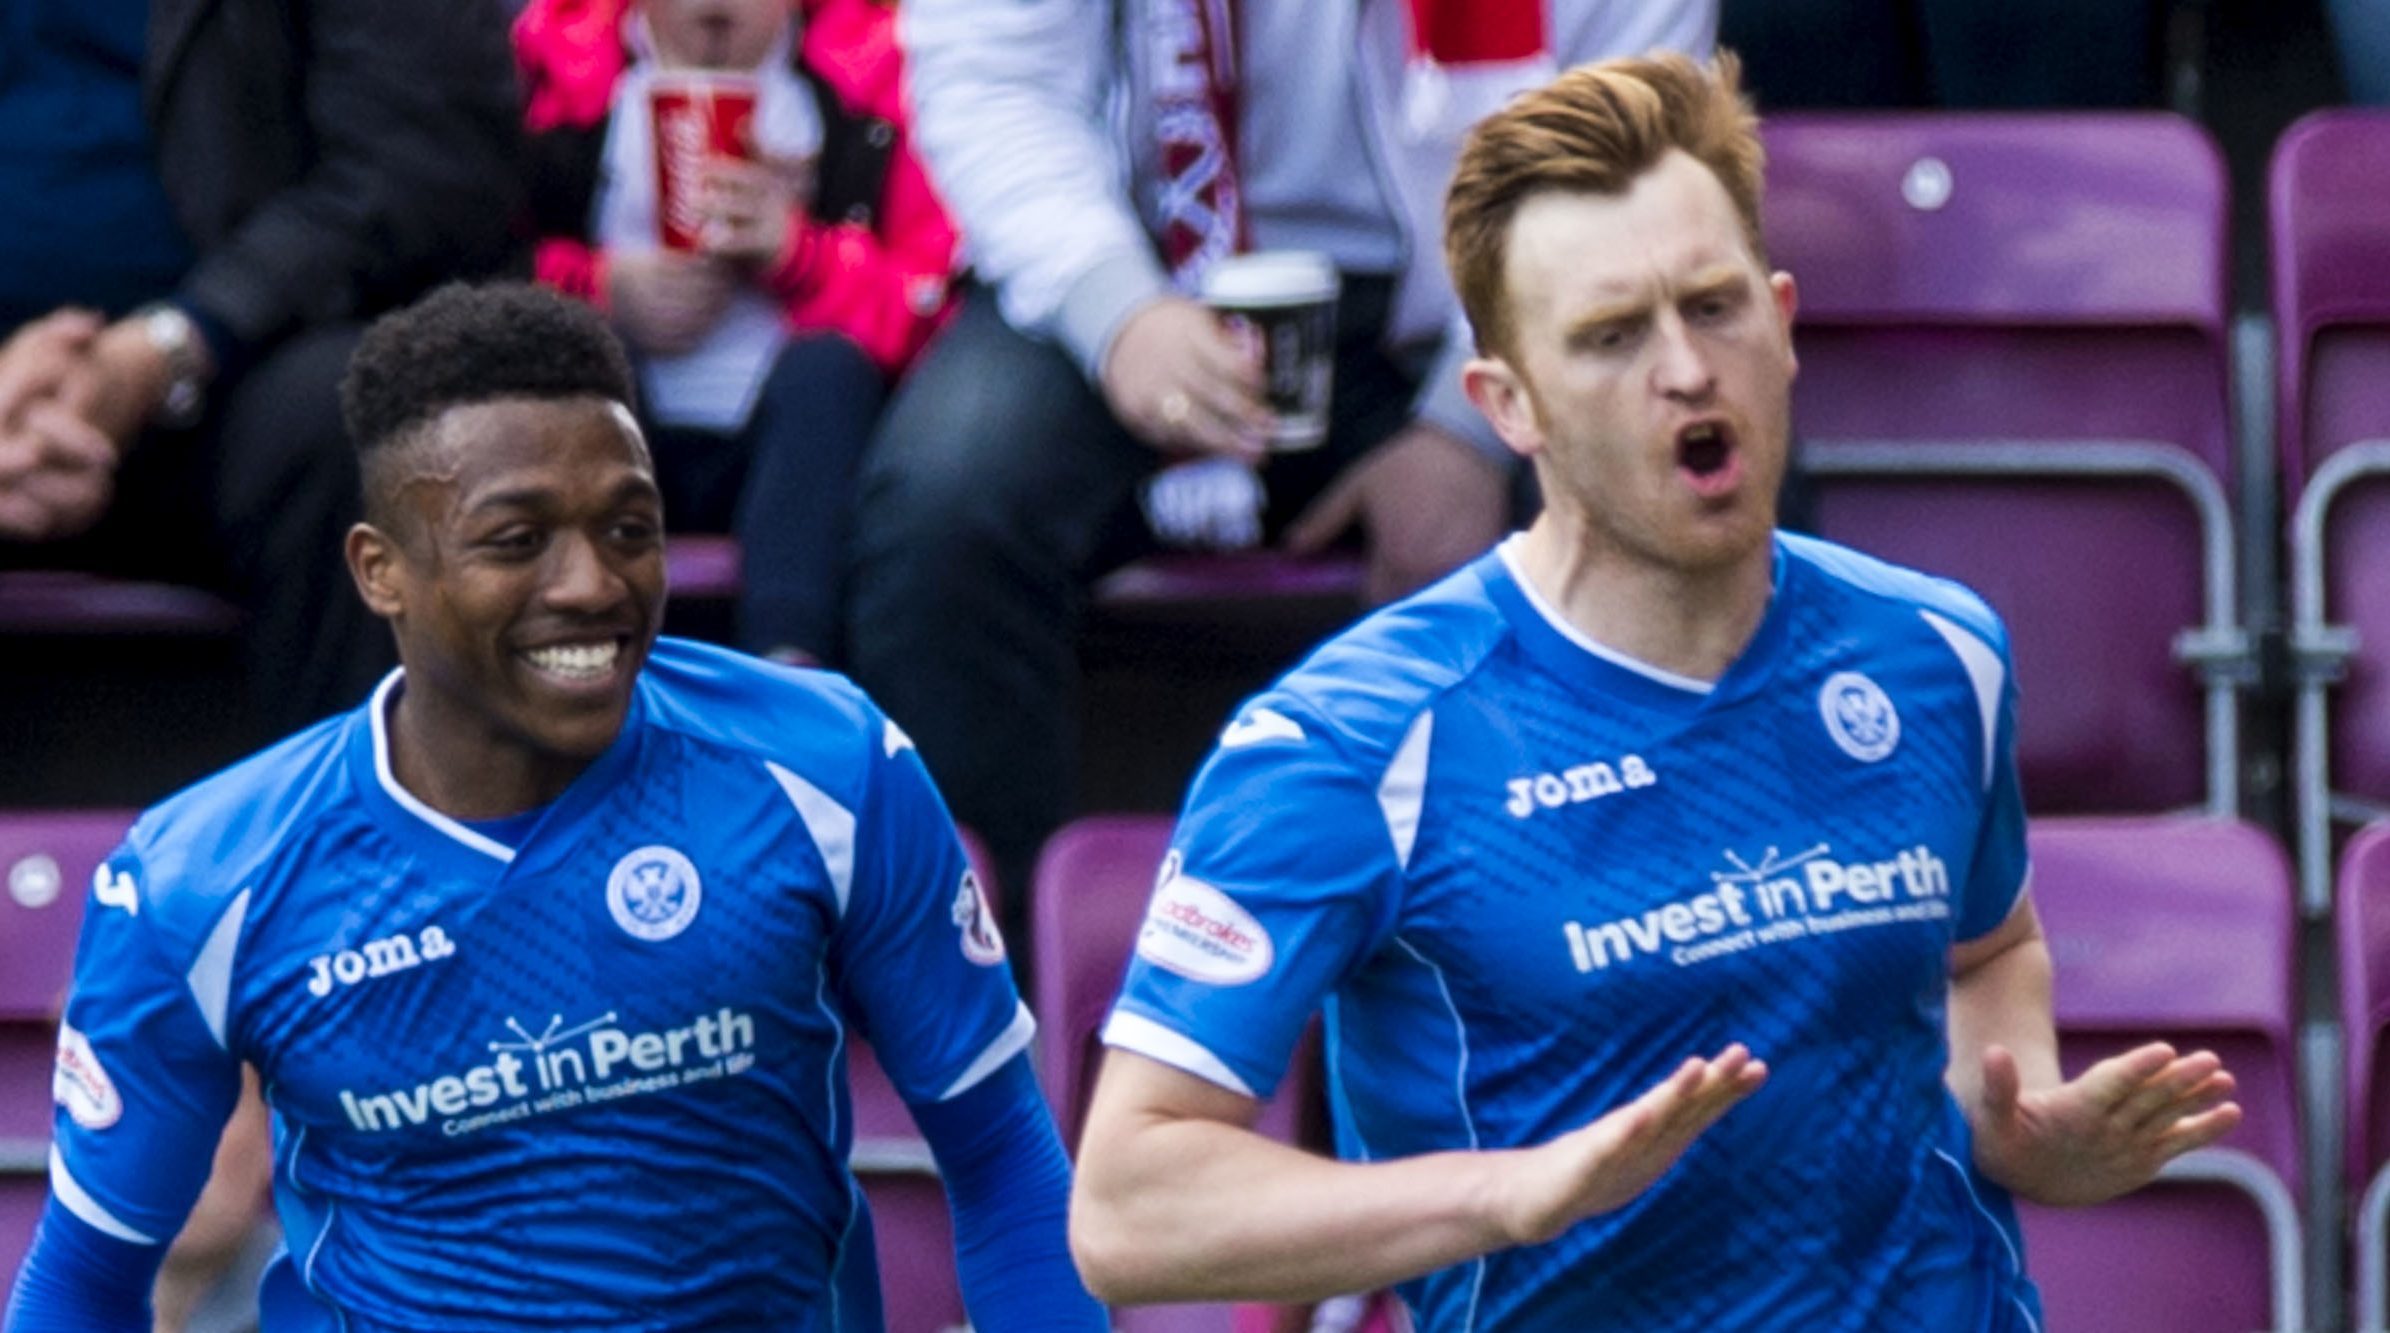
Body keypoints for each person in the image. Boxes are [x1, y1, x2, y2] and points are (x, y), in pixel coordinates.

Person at [1067, 54, 2241, 1330]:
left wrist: (2013, 1121)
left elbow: (1987, 947)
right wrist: (1501, 1194)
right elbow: (1128, 1207)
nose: (1684, 369)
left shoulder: (1934, 651)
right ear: (1505, 405)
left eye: (1713, 306)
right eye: (1612, 335)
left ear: (1783, 320)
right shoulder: (1353, 739)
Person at [3, 283, 1106, 1332]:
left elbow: (1001, 1153)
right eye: (516, 539)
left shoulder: (825, 764)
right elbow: (87, 1274)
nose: (590, 583)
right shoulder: (199, 880)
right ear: (381, 570)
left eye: (628, 527)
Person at [847, 0, 1717, 923]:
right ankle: (999, 994)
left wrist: (1470, 430)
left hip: (1472, 304)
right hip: (1130, 266)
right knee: (947, 510)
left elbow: (1633, 132)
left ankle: (1674, 956)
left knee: (1689, 465)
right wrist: (1118, 314)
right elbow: (994, 82)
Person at [0, 0, 522, 740]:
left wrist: (168, 346)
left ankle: (355, 838)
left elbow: (426, 163)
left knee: (358, 419)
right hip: (13, 399)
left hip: (245, 358)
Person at [515, 0, 960, 664]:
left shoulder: (877, 83)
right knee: (571, 368)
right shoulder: (551, 72)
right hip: (624, 431)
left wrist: (800, 255)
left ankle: (790, 676)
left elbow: (932, 314)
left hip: (801, 453)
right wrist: (600, 289)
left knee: (828, 376)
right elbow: (476, 263)